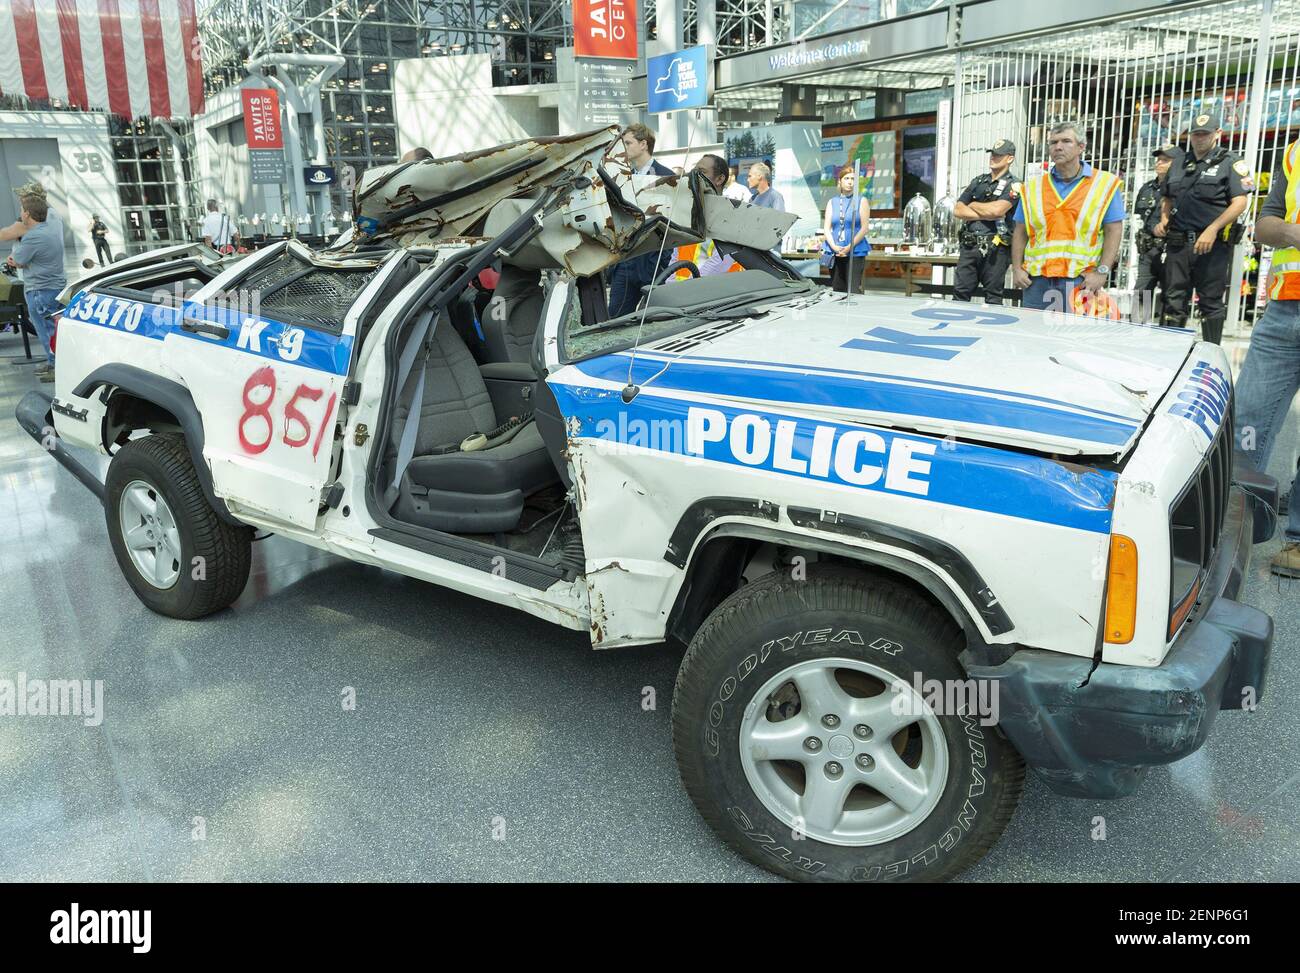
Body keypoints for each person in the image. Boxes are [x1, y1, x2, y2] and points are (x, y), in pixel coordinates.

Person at [1233, 136, 1300, 575]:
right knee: (1248, 421)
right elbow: (1266, 224)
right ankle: (1233, 521)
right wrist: (1293, 231)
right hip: (1285, 308)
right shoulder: (1296, 151)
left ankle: (1298, 539)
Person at [1011, 121, 1125, 311]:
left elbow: (1114, 229)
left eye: (1066, 141)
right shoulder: (1032, 187)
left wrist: (1102, 271)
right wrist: (1016, 268)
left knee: (1073, 337)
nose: (1058, 147)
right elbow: (1020, 231)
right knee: (1035, 337)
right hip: (1037, 281)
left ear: (1081, 147)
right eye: (1053, 142)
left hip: (1080, 279)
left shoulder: (1104, 184)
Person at [1157, 112, 1250, 343]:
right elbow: (1167, 197)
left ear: (1218, 133)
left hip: (1212, 245)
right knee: (1173, 299)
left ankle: (1211, 352)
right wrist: (1164, 218)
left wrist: (1213, 228)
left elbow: (1240, 202)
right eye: (1195, 134)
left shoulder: (1230, 162)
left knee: (1210, 301)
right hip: (1178, 243)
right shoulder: (1179, 162)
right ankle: (1173, 351)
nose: (1199, 139)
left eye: (1204, 134)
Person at [607, 123, 675, 318]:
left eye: (627, 143)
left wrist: (660, 263)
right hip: (625, 262)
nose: (624, 148)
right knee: (616, 320)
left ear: (644, 144)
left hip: (651, 261)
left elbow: (670, 221)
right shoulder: (622, 176)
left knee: (651, 321)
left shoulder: (665, 175)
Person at [4, 191, 66, 382]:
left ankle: (57, 367)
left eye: (22, 210)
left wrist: (15, 260)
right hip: (52, 286)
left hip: (40, 290)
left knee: (47, 331)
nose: (21, 213)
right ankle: (52, 362)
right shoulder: (50, 229)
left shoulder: (33, 236)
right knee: (53, 329)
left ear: (28, 214)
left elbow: (18, 260)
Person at [953, 138, 1020, 305]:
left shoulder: (1014, 185)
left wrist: (974, 205)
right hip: (969, 246)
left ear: (1009, 158)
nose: (993, 157)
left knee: (993, 297)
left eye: (998, 155)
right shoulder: (979, 181)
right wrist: (985, 213)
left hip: (996, 249)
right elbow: (958, 210)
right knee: (960, 294)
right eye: (992, 154)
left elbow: (997, 210)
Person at [1133, 144, 1179, 323]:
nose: (1159, 163)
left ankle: (1165, 333)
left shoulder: (1182, 188)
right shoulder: (1147, 188)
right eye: (1158, 159)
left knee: (1172, 294)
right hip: (1149, 248)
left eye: (1165, 160)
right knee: (1141, 291)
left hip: (1173, 248)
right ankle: (1137, 329)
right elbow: (1141, 217)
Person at [821, 166, 871, 293]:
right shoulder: (832, 202)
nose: (850, 182)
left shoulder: (861, 201)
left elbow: (865, 228)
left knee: (853, 289)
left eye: (853, 179)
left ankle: (853, 312)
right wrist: (833, 246)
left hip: (855, 250)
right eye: (846, 178)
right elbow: (827, 228)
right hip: (835, 251)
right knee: (837, 288)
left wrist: (849, 246)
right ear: (840, 181)